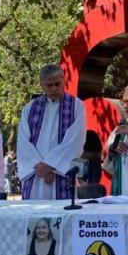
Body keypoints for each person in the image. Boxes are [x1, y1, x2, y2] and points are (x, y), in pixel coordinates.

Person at [17, 64, 86, 200]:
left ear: (64, 81)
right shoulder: (30, 108)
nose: (54, 88)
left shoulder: (76, 105)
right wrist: (38, 166)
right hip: (35, 174)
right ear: (41, 85)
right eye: (49, 85)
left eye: (57, 84)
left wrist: (51, 165)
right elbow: (23, 141)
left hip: (60, 174)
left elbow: (75, 139)